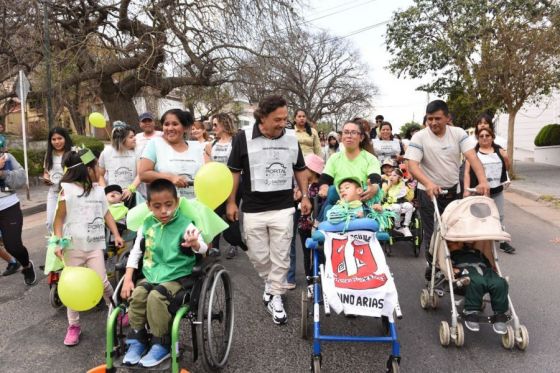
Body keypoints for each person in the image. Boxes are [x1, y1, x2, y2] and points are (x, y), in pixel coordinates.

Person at [226, 95, 311, 325]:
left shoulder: (291, 138)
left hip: (283, 207)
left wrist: (304, 195)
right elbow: (233, 172)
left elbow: (300, 168)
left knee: (282, 255)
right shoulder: (242, 138)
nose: (283, 123)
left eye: (285, 118)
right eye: (278, 119)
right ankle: (271, 284)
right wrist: (231, 202)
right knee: (259, 256)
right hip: (253, 209)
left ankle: (276, 296)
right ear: (262, 117)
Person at [120, 179, 208, 367]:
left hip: (177, 277)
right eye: (157, 206)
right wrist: (128, 278)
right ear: (149, 206)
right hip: (152, 274)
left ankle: (163, 343)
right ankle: (138, 339)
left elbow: (204, 248)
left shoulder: (185, 225)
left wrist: (195, 244)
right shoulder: (146, 225)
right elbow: (136, 252)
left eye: (168, 205)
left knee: (156, 297)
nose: (164, 211)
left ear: (176, 202)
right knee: (138, 294)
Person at [404, 100, 490, 279]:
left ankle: (453, 264)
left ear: (448, 118)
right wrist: (428, 183)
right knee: (432, 231)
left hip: (452, 190)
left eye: (437, 118)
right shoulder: (419, 137)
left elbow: (472, 157)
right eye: (430, 119)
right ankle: (432, 264)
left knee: (454, 230)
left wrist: (483, 181)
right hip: (428, 192)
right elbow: (412, 164)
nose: (433, 123)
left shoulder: (458, 133)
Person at [52, 148, 124, 346]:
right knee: (71, 286)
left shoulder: (99, 190)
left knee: (101, 282)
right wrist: (57, 242)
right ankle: (73, 325)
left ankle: (116, 311)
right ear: (86, 169)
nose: (98, 170)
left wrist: (116, 234)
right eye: (94, 166)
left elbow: (106, 214)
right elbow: (58, 220)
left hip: (94, 246)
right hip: (73, 247)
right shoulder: (66, 191)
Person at [464, 127, 514, 254]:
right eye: (481, 136)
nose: (485, 138)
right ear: (478, 138)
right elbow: (467, 173)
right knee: (479, 217)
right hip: (479, 192)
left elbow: (507, 167)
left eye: (487, 135)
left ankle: (503, 242)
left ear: (492, 137)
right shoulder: (473, 153)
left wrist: (506, 158)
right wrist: (466, 190)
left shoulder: (499, 151)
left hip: (496, 190)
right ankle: (476, 243)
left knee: (500, 216)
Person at [287, 109, 322, 289]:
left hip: (310, 170)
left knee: (313, 246)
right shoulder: (289, 132)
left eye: (303, 116)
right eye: (298, 116)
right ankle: (290, 276)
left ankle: (315, 275)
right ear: (294, 119)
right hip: (292, 171)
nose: (301, 118)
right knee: (289, 237)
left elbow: (318, 152)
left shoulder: (312, 132)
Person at [204, 113, 247, 259]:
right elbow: (208, 167)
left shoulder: (236, 142)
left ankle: (233, 243)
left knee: (231, 213)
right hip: (216, 185)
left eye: (215, 125)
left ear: (224, 124)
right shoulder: (211, 145)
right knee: (214, 214)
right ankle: (215, 247)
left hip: (233, 183)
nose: (213, 128)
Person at [139, 109, 205, 200]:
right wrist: (170, 178)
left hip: (195, 206)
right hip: (166, 208)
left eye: (175, 124)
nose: (170, 128)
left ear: (185, 127)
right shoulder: (155, 144)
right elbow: (143, 174)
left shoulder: (197, 147)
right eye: (166, 124)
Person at [448, 240, 509, 334]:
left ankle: (500, 314)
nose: (457, 244)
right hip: (466, 270)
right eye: (453, 243)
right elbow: (447, 265)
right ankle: (471, 312)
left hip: (484, 269)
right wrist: (452, 269)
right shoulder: (451, 254)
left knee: (499, 282)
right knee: (475, 282)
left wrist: (493, 268)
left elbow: (489, 264)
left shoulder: (477, 252)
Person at [318, 120, 381, 202]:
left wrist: (374, 187)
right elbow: (325, 179)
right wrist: (324, 188)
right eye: (346, 132)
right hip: (338, 202)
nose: (349, 136)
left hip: (363, 201)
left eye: (353, 132)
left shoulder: (371, 159)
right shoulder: (334, 158)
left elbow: (374, 179)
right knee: (332, 192)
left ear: (361, 137)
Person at [0, 148, 36, 285]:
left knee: (13, 246)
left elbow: (21, 179)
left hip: (8, 206)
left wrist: (3, 173)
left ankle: (26, 266)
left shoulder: (6, 157)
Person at [297, 154, 325, 297]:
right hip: (304, 227)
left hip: (316, 227)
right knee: (307, 254)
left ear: (313, 170)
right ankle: (310, 281)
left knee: (319, 253)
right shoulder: (304, 187)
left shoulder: (320, 188)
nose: (302, 172)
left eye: (305, 168)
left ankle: (318, 279)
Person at [98, 122, 140, 209]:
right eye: (131, 137)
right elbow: (100, 175)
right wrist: (106, 192)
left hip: (131, 196)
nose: (135, 139)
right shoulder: (107, 152)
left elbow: (140, 174)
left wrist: (130, 189)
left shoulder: (137, 152)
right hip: (112, 199)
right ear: (122, 139)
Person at [43, 127, 73, 233]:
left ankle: (69, 248)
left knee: (70, 223)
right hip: (54, 193)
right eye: (53, 139)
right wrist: (46, 178)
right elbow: (46, 172)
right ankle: (56, 246)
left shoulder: (75, 151)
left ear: (66, 138)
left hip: (72, 194)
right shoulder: (48, 154)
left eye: (60, 138)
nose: (57, 142)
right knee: (51, 222)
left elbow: (92, 166)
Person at [134, 112, 163, 204]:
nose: (147, 123)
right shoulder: (136, 137)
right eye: (144, 121)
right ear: (140, 124)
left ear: (154, 122)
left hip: (158, 173)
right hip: (141, 174)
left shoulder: (162, 135)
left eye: (149, 120)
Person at [382, 169, 414, 237]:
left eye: (394, 175)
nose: (391, 177)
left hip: (401, 202)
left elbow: (409, 198)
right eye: (390, 175)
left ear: (399, 177)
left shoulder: (403, 184)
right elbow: (382, 197)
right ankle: (397, 227)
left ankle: (405, 226)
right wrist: (388, 186)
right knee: (397, 207)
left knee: (409, 206)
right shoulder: (386, 183)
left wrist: (411, 189)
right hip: (389, 204)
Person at [0, 123, 13, 192]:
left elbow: (5, 147)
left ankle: (6, 186)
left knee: (8, 166)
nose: (0, 128)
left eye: (1, 127)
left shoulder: (2, 137)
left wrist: (6, 150)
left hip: (2, 155)